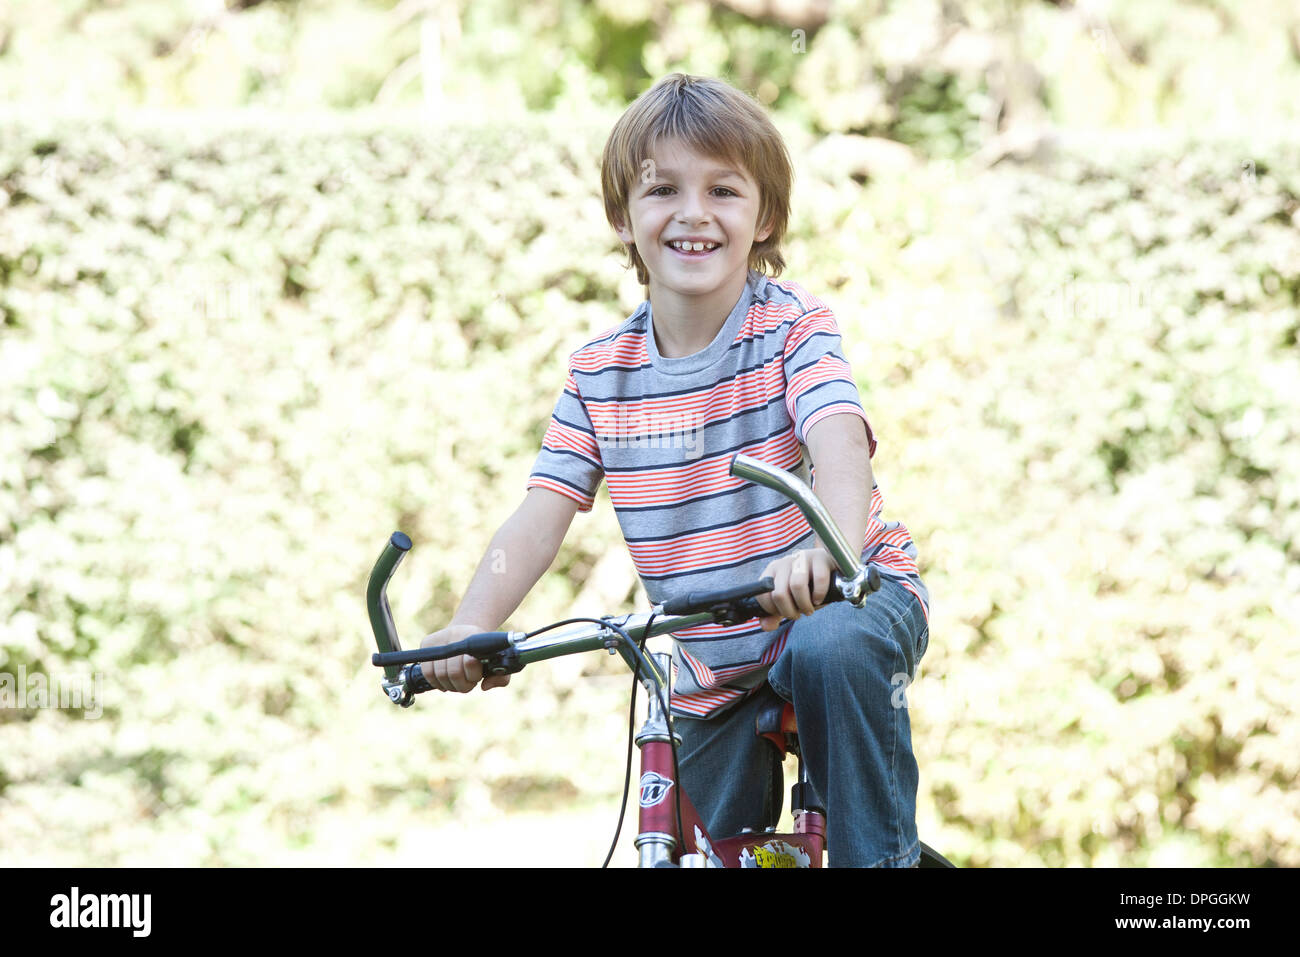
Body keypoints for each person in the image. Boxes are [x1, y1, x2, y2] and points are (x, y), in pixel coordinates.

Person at [420, 73, 930, 867]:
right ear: (623, 218)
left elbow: (838, 441)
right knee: (696, 845)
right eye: (663, 190)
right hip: (709, 652)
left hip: (846, 598)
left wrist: (830, 552)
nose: (694, 213)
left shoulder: (793, 328)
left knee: (832, 648)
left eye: (724, 189)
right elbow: (538, 515)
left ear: (766, 219)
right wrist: (468, 622)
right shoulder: (599, 374)